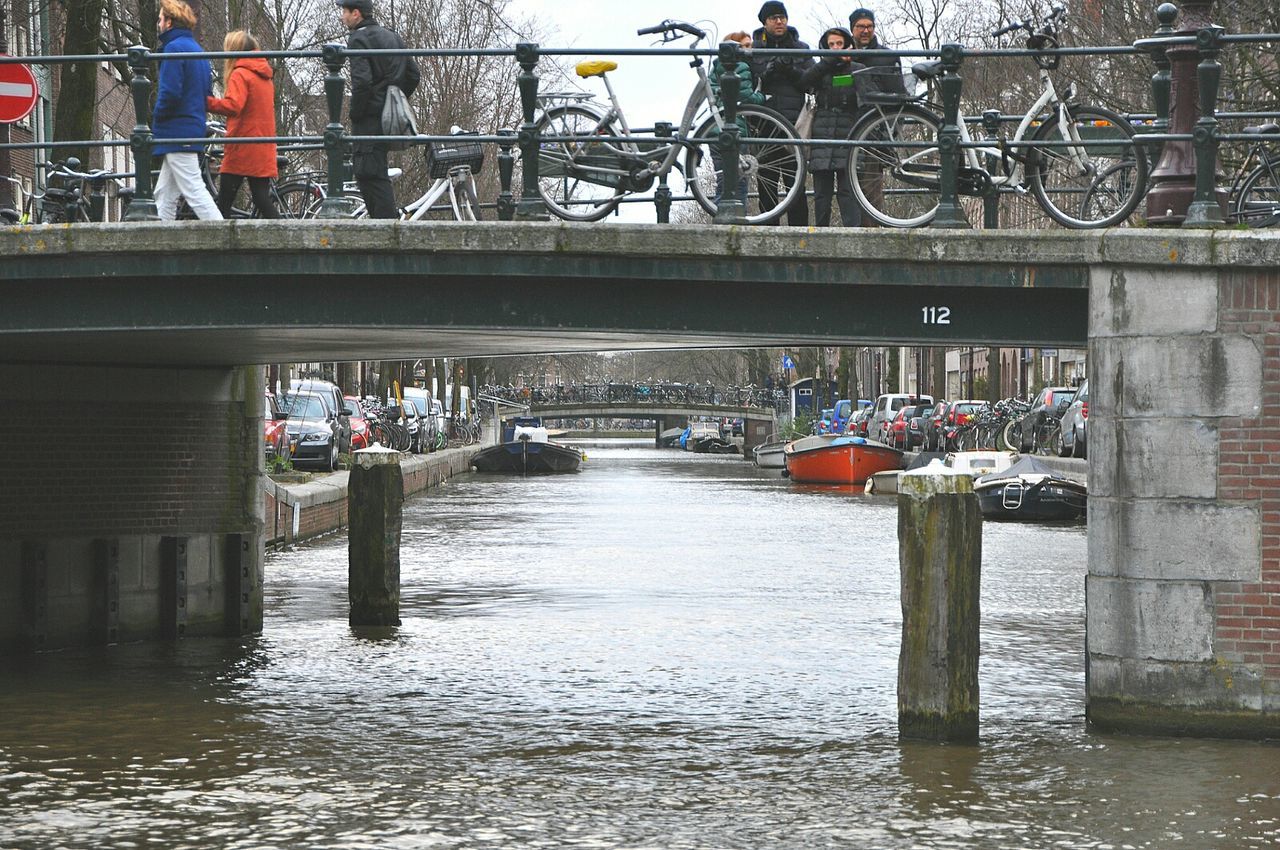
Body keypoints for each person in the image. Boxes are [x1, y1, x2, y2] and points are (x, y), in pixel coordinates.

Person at [336, 0, 420, 219]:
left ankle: (387, 232)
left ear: (356, 13)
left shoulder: (358, 39)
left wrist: (356, 112)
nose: (342, 16)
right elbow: (413, 75)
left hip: (368, 119)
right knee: (376, 171)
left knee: (368, 174)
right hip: (387, 117)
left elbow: (362, 83)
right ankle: (385, 230)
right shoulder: (392, 36)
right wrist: (394, 101)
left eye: (344, 11)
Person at [152, 0, 222, 220]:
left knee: (193, 189)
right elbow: (207, 93)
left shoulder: (173, 49)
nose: (158, 23)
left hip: (176, 129)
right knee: (164, 193)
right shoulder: (198, 51)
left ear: (169, 22)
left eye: (161, 18)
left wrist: (157, 117)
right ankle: (160, 246)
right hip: (191, 126)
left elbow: (170, 92)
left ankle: (227, 243)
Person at [750, 2, 813, 226]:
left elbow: (811, 82)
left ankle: (800, 237)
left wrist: (790, 70)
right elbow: (748, 86)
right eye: (774, 18)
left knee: (796, 188)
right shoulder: (753, 50)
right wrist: (766, 73)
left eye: (782, 17)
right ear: (764, 22)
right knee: (766, 188)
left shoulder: (801, 49)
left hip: (793, 126)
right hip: (763, 127)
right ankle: (767, 239)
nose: (779, 21)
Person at [206, 31, 279, 218]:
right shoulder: (264, 75)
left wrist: (207, 102)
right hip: (262, 143)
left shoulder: (241, 73)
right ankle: (289, 236)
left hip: (242, 145)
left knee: (224, 201)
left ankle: (219, 244)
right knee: (261, 198)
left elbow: (234, 105)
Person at [848, 8, 906, 224]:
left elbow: (899, 94)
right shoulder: (841, 53)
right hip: (846, 124)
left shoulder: (886, 55)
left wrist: (891, 127)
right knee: (847, 185)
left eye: (869, 26)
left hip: (874, 127)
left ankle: (872, 232)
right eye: (861, 26)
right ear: (852, 28)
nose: (866, 30)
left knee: (871, 185)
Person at [801, 27, 862, 227]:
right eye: (831, 45)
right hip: (822, 130)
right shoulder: (820, 70)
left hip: (848, 129)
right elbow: (804, 82)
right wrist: (828, 62)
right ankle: (820, 231)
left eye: (839, 44)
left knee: (848, 190)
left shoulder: (856, 68)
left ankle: (852, 232)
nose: (836, 48)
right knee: (821, 192)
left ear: (847, 44)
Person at [709, 31, 765, 208]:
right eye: (745, 46)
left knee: (723, 181)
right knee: (738, 182)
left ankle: (720, 217)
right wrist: (762, 97)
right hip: (736, 128)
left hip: (714, 130)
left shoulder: (715, 67)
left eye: (750, 46)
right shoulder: (741, 66)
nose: (749, 50)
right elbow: (746, 98)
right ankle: (733, 220)